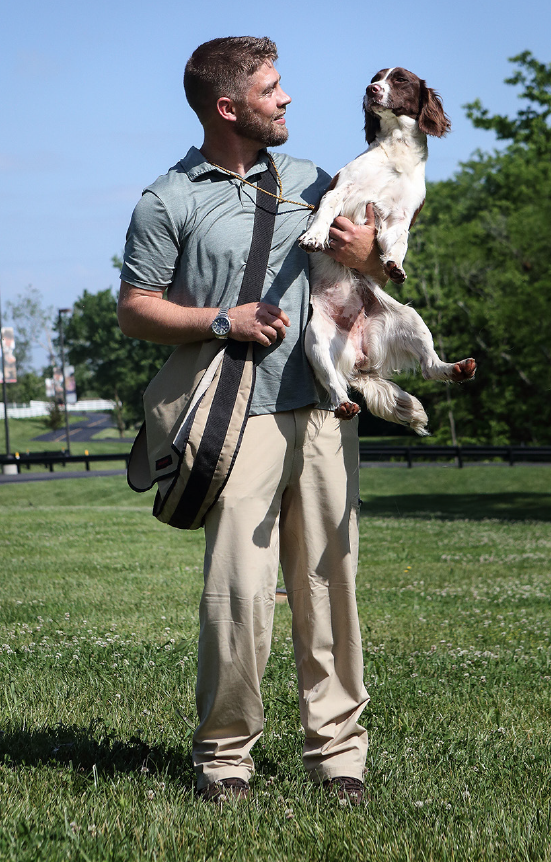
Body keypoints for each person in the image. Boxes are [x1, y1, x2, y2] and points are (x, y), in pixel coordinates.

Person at [118, 36, 384, 804]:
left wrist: (366, 250)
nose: (288, 97)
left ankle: (338, 756)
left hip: (325, 411)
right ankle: (224, 759)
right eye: (271, 89)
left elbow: (366, 268)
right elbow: (136, 309)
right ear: (228, 107)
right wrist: (220, 321)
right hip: (236, 420)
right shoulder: (166, 199)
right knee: (238, 596)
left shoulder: (314, 180)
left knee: (329, 587)